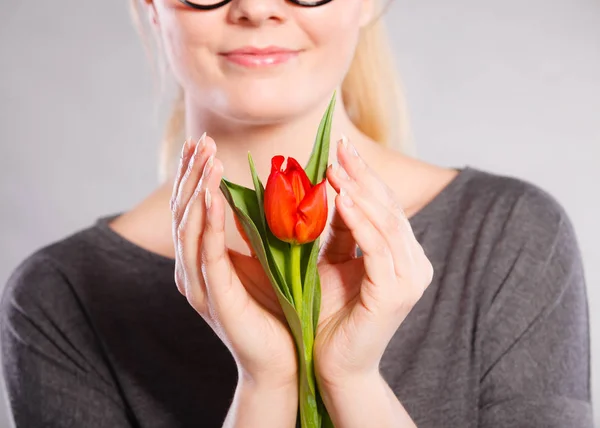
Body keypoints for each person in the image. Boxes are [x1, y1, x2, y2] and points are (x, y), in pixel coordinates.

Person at [0, 0, 592, 426]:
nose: (257, 8)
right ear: (149, 5)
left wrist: (352, 382)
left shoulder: (511, 237)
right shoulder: (62, 296)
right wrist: (266, 385)